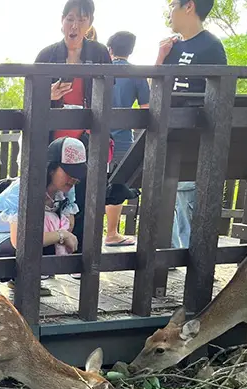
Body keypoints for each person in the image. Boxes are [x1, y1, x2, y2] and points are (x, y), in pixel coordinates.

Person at [35, 0, 112, 251]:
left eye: (81, 19)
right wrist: (49, 94)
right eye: (70, 18)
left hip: (86, 136)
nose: (74, 25)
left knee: (86, 194)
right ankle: (43, 255)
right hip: (52, 139)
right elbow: (31, 97)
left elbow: (108, 90)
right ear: (61, 21)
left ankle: (81, 254)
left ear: (90, 23)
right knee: (45, 194)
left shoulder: (100, 53)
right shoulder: (47, 55)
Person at [156, 0, 226, 249]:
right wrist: (160, 58)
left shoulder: (211, 46)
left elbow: (221, 94)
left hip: (196, 136)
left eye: (173, 4)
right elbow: (155, 91)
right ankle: (170, 253)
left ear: (189, 7)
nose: (170, 11)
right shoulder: (171, 47)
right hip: (169, 131)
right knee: (166, 197)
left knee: (187, 198)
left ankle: (191, 258)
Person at [0, 138, 84, 296]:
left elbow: (69, 224)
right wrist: (61, 235)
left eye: (78, 174)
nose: (74, 179)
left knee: (49, 242)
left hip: (27, 234)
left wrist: (61, 233)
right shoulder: (22, 188)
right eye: (69, 173)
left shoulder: (66, 191)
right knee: (26, 246)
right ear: (51, 168)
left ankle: (22, 279)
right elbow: (19, 241)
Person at [106, 30, 150, 247]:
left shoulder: (99, 70)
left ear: (110, 49)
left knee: (91, 182)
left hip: (96, 136)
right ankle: (112, 233)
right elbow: (146, 110)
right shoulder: (137, 75)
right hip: (123, 138)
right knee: (117, 182)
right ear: (130, 50)